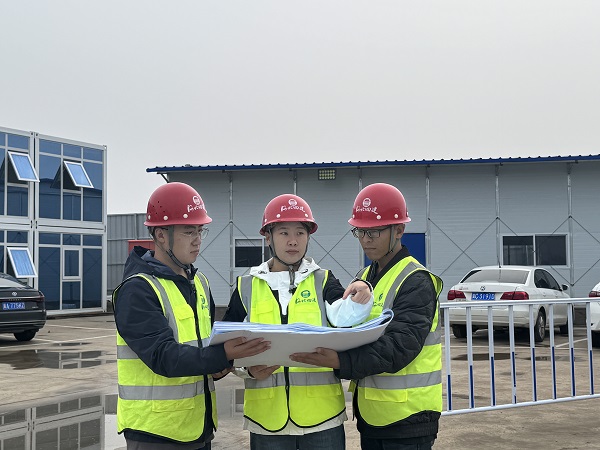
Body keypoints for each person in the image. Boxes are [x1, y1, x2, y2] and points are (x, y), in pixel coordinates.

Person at [113, 182, 270, 450]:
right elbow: (164, 356)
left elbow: (204, 348)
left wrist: (225, 365)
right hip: (155, 433)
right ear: (161, 235)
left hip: (197, 428)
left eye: (200, 230)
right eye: (189, 231)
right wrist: (223, 355)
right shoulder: (138, 289)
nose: (197, 239)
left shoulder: (199, 283)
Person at [290, 183, 444, 450]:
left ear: (399, 230)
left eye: (374, 231)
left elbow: (400, 347)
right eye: (360, 231)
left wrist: (340, 361)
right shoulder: (364, 278)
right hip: (373, 416)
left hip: (409, 419)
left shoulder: (416, 280)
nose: (365, 239)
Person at [222, 193, 374, 450]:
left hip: (322, 420)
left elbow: (345, 316)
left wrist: (363, 293)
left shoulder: (323, 280)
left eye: (300, 233)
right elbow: (227, 343)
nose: (293, 241)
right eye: (284, 233)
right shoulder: (246, 286)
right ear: (268, 237)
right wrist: (247, 370)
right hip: (267, 421)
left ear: (308, 237)